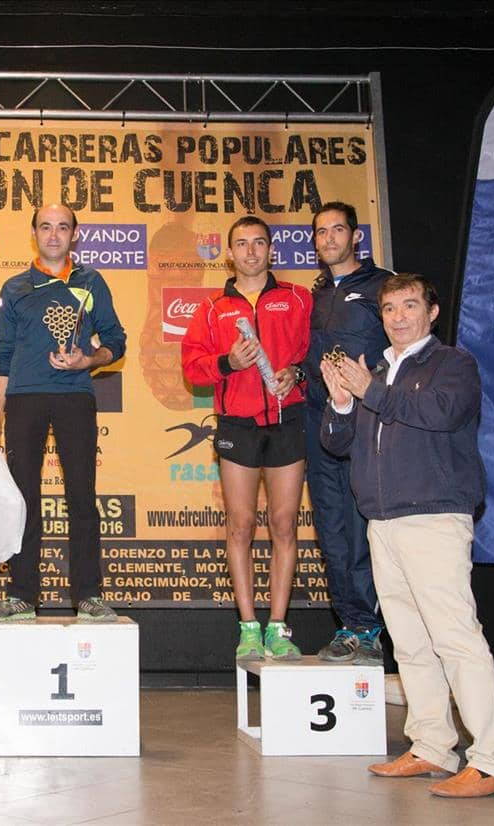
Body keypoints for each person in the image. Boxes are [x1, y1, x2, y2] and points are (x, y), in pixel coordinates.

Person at [320, 273, 494, 798]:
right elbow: (339, 445)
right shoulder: (377, 372)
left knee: (456, 638)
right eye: (389, 309)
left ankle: (493, 760)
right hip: (382, 522)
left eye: (410, 306)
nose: (399, 317)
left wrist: (370, 392)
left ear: (431, 313)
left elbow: (441, 413)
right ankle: (431, 746)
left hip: (434, 518)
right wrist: (342, 402)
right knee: (410, 643)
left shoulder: (453, 365)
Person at [0, 203, 127, 622]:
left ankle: (88, 595)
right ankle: (22, 595)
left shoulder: (91, 281)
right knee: (23, 499)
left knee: (82, 497)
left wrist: (89, 360)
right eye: (45, 227)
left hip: (74, 396)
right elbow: (2, 357)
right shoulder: (14, 287)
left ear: (74, 235)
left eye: (62, 227)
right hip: (24, 399)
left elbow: (116, 340)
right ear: (34, 234)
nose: (53, 235)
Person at [181, 216, 312, 660]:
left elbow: (314, 353)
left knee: (284, 524)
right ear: (229, 253)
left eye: (259, 243)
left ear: (271, 250)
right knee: (240, 525)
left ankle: (278, 627)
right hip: (237, 426)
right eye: (242, 243)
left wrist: (297, 373)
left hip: (288, 422)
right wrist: (228, 363)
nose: (251, 251)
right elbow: (192, 368)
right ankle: (249, 628)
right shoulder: (212, 309)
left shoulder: (298, 298)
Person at [304, 202, 393, 666]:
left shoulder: (383, 286)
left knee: (361, 527)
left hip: (366, 423)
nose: (330, 239)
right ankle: (350, 625)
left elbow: (405, 348)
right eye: (322, 232)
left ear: (356, 236)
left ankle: (370, 628)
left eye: (338, 229)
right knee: (331, 527)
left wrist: (375, 387)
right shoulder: (316, 294)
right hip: (319, 421)